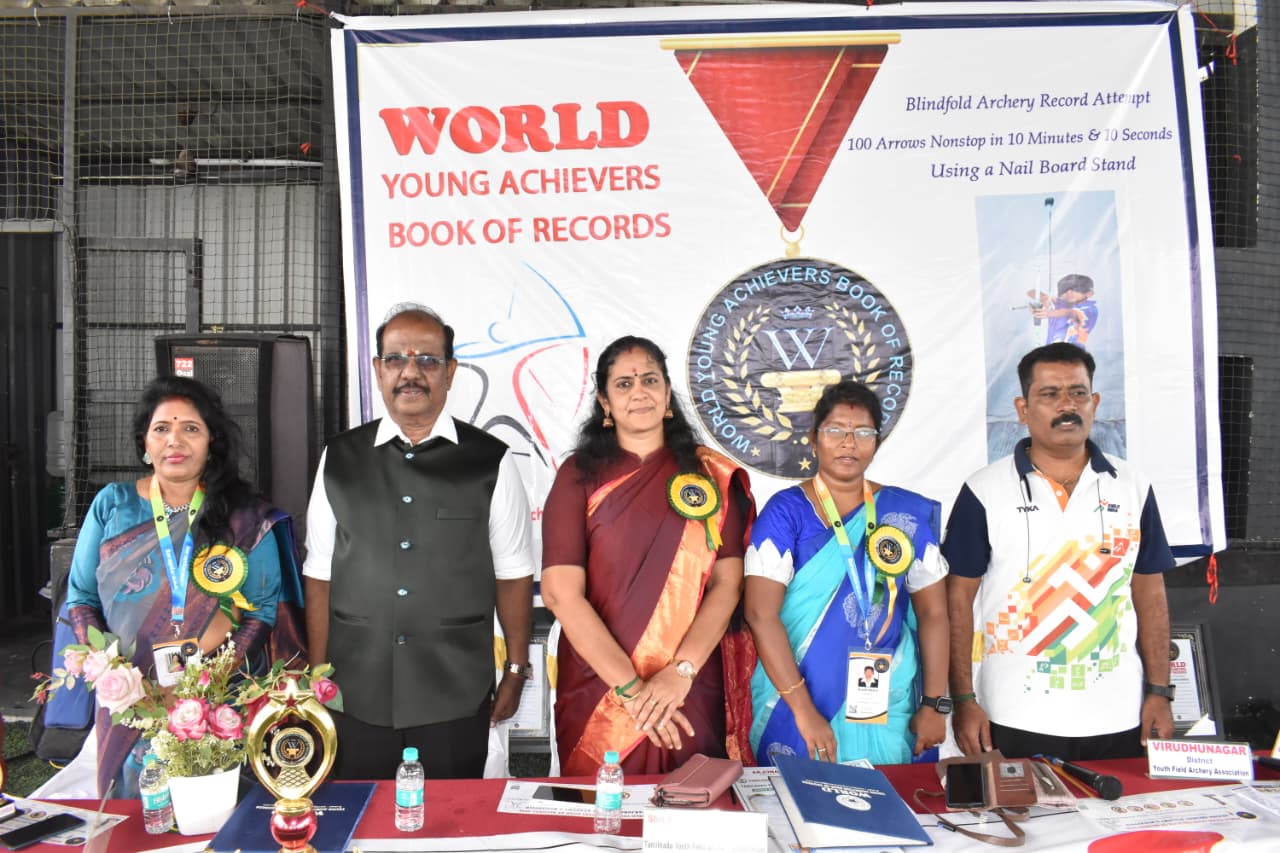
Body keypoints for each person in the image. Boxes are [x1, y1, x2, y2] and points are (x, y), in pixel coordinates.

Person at [303, 303, 534, 780]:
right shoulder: (339, 458)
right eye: (395, 359)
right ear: (377, 370)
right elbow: (320, 575)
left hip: (455, 690)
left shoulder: (490, 461)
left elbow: (513, 574)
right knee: (363, 812)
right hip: (356, 689)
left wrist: (515, 670)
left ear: (450, 372)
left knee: (453, 815)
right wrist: (318, 676)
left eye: (428, 360)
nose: (411, 373)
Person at [65, 376, 306, 797]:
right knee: (138, 812)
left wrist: (201, 688)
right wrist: (114, 674)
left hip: (218, 705)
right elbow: (81, 597)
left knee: (217, 812)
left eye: (191, 428)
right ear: (145, 443)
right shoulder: (113, 505)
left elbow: (261, 613)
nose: (174, 440)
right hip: (132, 701)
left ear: (212, 442)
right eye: (161, 428)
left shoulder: (245, 517)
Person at [943, 342, 1176, 761]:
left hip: (1119, 715)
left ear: (1095, 402)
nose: (1067, 405)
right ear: (1023, 409)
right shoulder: (983, 490)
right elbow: (957, 601)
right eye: (1050, 394)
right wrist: (963, 699)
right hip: (1012, 714)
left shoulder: (1133, 486)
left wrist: (1160, 691)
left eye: (1078, 393)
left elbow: (1150, 594)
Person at [541, 335, 756, 776]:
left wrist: (680, 672)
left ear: (668, 393)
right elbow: (561, 593)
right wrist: (632, 691)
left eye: (650, 380)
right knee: (603, 805)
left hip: (688, 687)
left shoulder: (710, 476)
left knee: (694, 800)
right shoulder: (578, 476)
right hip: (600, 687)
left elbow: (728, 583)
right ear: (604, 402)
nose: (639, 392)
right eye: (624, 384)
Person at [744, 381, 950, 766]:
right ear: (813, 438)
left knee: (890, 798)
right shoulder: (786, 512)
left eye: (863, 433)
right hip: (796, 701)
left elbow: (935, 612)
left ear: (878, 441)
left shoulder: (904, 512)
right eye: (835, 430)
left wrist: (936, 703)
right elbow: (759, 613)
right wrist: (804, 711)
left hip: (888, 699)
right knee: (798, 800)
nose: (848, 443)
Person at [1031, 273, 1098, 348]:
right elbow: (1032, 292)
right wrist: (1044, 301)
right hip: (1051, 351)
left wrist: (1049, 313)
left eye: (1076, 289)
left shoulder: (1090, 309)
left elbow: (1070, 313)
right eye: (1064, 290)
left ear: (1089, 293)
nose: (1069, 292)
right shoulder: (1062, 303)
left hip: (1073, 352)